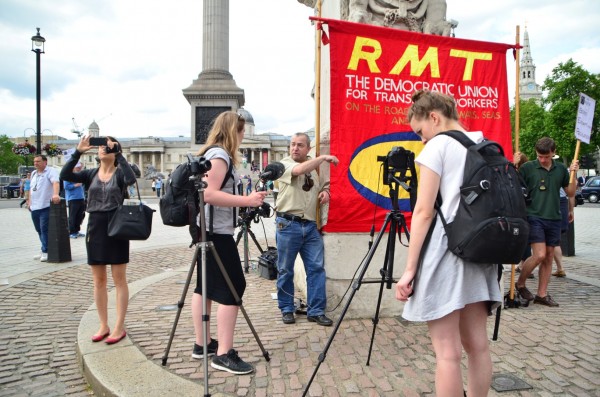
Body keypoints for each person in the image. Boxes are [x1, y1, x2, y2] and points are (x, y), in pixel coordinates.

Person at [395, 90, 502, 397]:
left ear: (434, 117)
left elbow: (423, 211)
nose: (422, 139)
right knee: (478, 346)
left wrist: (410, 269)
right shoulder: (482, 142)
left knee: (447, 352)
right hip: (482, 251)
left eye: (421, 131)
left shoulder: (438, 146)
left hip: (448, 250)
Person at [190, 111, 267, 374]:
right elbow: (209, 194)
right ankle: (223, 353)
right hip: (216, 231)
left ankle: (202, 344)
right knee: (234, 287)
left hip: (206, 229)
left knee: (205, 286)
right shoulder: (220, 155)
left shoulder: (211, 153)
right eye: (242, 131)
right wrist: (247, 201)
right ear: (234, 130)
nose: (244, 136)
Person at [60, 135, 136, 344]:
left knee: (119, 278)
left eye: (107, 146)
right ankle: (103, 324)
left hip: (117, 226)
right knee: (99, 280)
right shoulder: (89, 174)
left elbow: (131, 180)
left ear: (114, 150)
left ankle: (119, 326)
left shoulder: (120, 173)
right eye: (101, 147)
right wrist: (78, 151)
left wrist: (118, 153)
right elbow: (65, 174)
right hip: (95, 225)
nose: (102, 149)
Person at [275, 132, 339, 327]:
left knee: (316, 269)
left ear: (308, 148)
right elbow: (298, 170)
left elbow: (323, 185)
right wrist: (323, 158)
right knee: (285, 270)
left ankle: (316, 311)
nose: (295, 148)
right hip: (288, 224)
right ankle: (287, 308)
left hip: (310, 226)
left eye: (300, 145)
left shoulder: (315, 168)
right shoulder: (284, 164)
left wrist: (325, 192)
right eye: (292, 144)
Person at [514, 137, 579, 307]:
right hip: (534, 216)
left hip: (554, 217)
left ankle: (541, 294)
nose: (543, 160)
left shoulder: (560, 169)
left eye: (546, 157)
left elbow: (570, 191)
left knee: (549, 256)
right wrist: (514, 166)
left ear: (553, 153)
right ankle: (520, 283)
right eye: (539, 156)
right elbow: (513, 185)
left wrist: (574, 173)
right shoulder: (528, 168)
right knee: (539, 254)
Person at [28, 155, 61, 262]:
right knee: (38, 229)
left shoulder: (51, 171)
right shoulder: (34, 173)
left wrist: (55, 194)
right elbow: (31, 189)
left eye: (38, 161)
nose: (35, 163)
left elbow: (55, 182)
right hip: (34, 207)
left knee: (44, 229)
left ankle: (46, 251)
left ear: (45, 162)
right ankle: (43, 248)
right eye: (34, 161)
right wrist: (29, 202)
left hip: (45, 205)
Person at [552, 187, 574, 278]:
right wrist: (571, 210)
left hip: (551, 201)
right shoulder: (565, 172)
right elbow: (571, 193)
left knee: (552, 240)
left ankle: (560, 268)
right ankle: (560, 268)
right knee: (555, 239)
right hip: (562, 201)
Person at [64, 162, 87, 239]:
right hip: (73, 198)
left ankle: (77, 230)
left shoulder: (79, 175)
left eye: (80, 167)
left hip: (81, 197)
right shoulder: (68, 175)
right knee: (72, 216)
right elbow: (66, 186)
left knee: (80, 216)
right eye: (78, 167)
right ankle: (71, 232)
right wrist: (75, 185)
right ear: (73, 167)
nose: (79, 168)